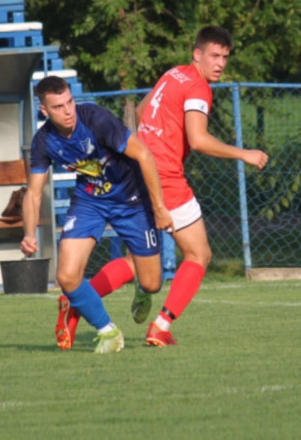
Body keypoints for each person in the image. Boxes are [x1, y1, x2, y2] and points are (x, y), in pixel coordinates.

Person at [136, 25, 269, 346]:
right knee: (198, 254)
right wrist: (244, 154)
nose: (220, 63)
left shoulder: (173, 73)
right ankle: (161, 327)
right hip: (165, 177)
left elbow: (141, 111)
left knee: (138, 261)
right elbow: (198, 139)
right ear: (197, 54)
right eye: (214, 55)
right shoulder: (198, 87)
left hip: (137, 169)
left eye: (225, 57)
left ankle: (75, 302)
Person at [20, 76, 173, 353]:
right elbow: (33, 193)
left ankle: (140, 285)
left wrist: (159, 208)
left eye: (69, 102)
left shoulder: (97, 120)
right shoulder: (44, 141)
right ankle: (108, 332)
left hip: (131, 200)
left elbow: (145, 156)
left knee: (152, 283)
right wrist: (29, 233)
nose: (68, 111)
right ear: (44, 110)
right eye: (58, 107)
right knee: (67, 276)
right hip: (90, 201)